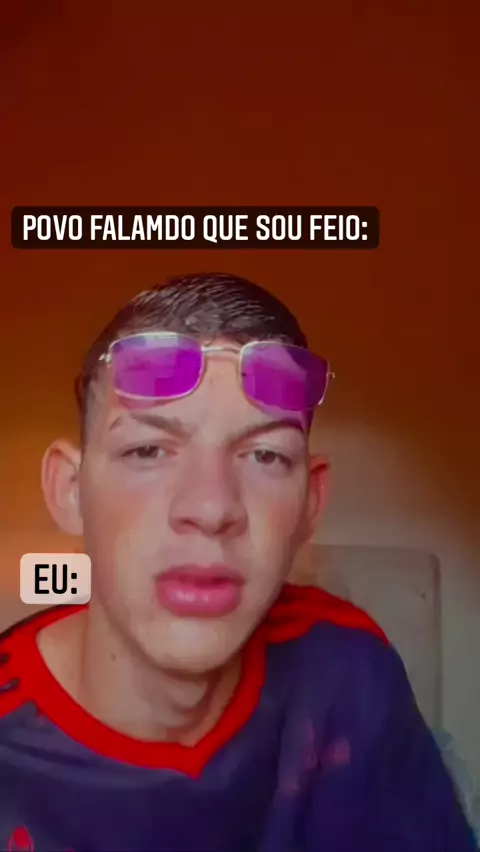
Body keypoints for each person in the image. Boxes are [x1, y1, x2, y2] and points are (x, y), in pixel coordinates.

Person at [0, 272, 476, 852]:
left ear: (311, 503)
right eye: (147, 450)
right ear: (70, 492)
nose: (211, 508)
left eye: (266, 455)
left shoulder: (351, 672)